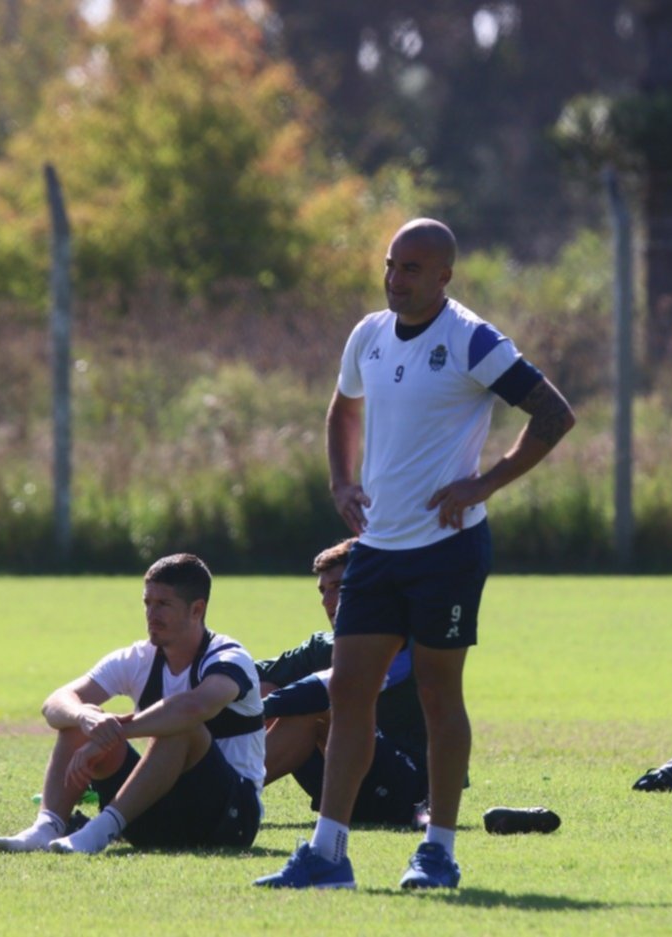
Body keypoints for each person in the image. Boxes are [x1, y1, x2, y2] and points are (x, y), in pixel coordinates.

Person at [256, 217, 575, 891]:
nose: (396, 280)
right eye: (391, 265)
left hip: (448, 551)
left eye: (412, 269)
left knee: (437, 693)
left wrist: (484, 483)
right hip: (377, 547)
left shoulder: (473, 339)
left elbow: (553, 414)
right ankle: (328, 854)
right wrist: (342, 481)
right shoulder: (368, 335)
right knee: (348, 692)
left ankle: (438, 850)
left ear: (444, 277)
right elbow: (342, 409)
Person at [0, 553, 264, 855]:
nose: (151, 614)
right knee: (81, 718)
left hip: (228, 821)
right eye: (147, 603)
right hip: (158, 814)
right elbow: (55, 703)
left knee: (182, 728)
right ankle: (47, 827)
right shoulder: (139, 658)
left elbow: (193, 709)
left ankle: (97, 832)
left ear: (197, 610)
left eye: (163, 605)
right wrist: (86, 718)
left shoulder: (228, 657)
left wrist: (113, 732)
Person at [257, 537, 429, 828]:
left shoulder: (407, 645)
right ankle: (216, 789)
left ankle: (225, 793)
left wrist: (245, 714)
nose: (327, 601)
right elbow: (250, 675)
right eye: (323, 590)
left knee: (319, 705)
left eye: (339, 587)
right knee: (259, 687)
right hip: (345, 786)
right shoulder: (324, 646)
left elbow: (323, 689)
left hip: (407, 790)